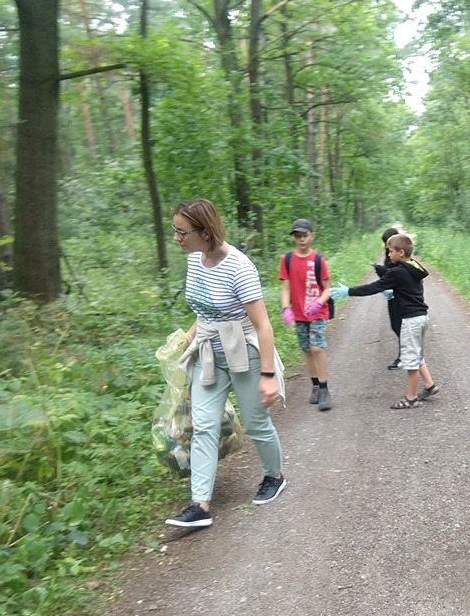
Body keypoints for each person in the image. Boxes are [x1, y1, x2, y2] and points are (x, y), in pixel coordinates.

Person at [167, 199, 286, 528]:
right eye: (175, 230)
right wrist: (188, 337)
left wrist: (267, 375)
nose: (176, 237)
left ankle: (275, 475)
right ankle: (200, 505)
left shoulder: (239, 268)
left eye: (182, 231)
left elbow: (263, 325)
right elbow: (204, 309)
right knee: (203, 426)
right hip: (209, 353)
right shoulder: (194, 260)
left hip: (243, 353)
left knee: (255, 423)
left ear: (205, 232)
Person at [331, 233, 440, 409]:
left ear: (401, 252)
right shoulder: (413, 266)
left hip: (411, 320)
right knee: (416, 354)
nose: (388, 255)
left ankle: (411, 398)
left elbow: (374, 287)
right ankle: (429, 385)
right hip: (422, 317)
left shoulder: (397, 272)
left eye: (390, 252)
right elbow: (395, 278)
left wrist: (349, 291)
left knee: (410, 360)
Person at [279, 218, 333, 411]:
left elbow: (327, 289)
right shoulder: (286, 260)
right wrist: (285, 308)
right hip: (299, 313)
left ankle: (325, 389)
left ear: (312, 236)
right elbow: (286, 288)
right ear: (293, 238)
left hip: (317, 312)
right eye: (298, 236)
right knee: (307, 350)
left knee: (317, 347)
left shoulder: (318, 260)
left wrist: (318, 302)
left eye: (305, 235)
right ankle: (315, 385)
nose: (301, 239)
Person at [376, 226, 403, 370]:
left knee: (400, 325)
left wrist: (382, 271)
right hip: (391, 295)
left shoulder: (399, 254)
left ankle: (403, 356)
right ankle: (405, 354)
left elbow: (396, 273)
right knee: (395, 325)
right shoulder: (388, 254)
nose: (386, 247)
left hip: (400, 296)